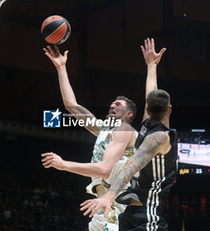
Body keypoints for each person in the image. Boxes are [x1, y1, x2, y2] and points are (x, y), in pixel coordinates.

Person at [41, 45, 141, 231]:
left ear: (128, 114)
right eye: (112, 103)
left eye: (118, 104)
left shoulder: (124, 130)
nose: (112, 105)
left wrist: (63, 164)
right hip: (103, 204)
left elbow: (104, 169)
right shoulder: (104, 129)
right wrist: (61, 68)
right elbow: (72, 105)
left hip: (120, 205)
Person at [80, 38, 177, 231]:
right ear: (170, 110)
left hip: (140, 216)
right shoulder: (155, 133)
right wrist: (151, 66)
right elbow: (133, 165)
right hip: (138, 216)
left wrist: (151, 67)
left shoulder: (151, 133)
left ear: (147, 110)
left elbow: (131, 167)